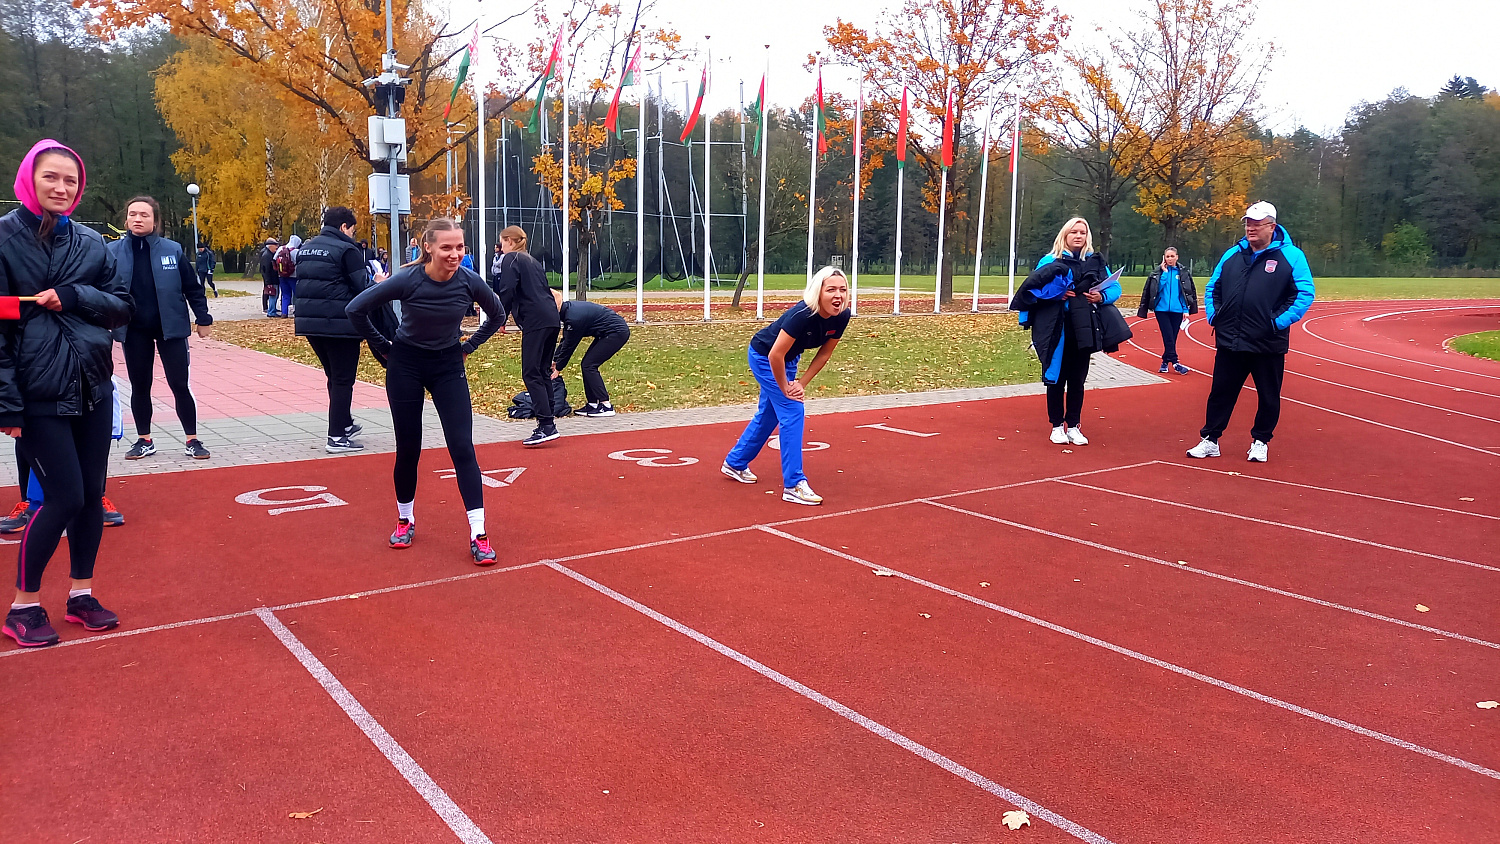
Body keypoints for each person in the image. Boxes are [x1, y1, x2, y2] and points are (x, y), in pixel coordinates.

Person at [0, 140, 134, 647]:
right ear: (29, 180)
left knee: (89, 498)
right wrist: (6, 403)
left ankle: (81, 594)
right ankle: (23, 606)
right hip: (37, 394)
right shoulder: (5, 239)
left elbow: (122, 307)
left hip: (93, 385)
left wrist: (75, 296)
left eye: (70, 181)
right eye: (50, 177)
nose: (61, 188)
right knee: (62, 497)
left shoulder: (92, 243)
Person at [346, 218, 505, 565]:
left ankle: (478, 533)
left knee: (462, 447)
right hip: (406, 364)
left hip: (448, 364)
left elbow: (497, 314)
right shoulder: (408, 278)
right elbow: (356, 309)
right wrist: (382, 346)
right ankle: (405, 520)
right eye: (446, 247)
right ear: (427, 247)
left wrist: (469, 347)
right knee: (409, 447)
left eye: (460, 247)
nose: (454, 254)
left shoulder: (469, 280)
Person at [1187, 201, 1315, 463]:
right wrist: (1215, 315)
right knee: (1220, 392)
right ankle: (1210, 439)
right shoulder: (1232, 254)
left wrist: (1275, 323)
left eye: (1257, 224)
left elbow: (1304, 294)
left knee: (1268, 395)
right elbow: (1214, 287)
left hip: (1267, 342)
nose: (1251, 228)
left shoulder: (1292, 256)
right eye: (1248, 223)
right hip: (1230, 339)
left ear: (1272, 226)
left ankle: (1260, 440)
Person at [722, 267, 850, 506]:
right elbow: (774, 355)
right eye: (830, 289)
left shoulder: (842, 316)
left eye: (842, 290)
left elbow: (824, 354)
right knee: (792, 410)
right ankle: (794, 484)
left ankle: (735, 463)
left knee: (770, 416)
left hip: (788, 360)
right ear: (818, 292)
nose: (838, 296)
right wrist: (786, 388)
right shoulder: (802, 315)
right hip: (764, 356)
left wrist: (801, 383)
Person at [107, 196, 214, 461]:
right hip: (133, 331)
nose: (138, 219)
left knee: (179, 384)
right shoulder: (112, 252)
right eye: (133, 214)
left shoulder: (172, 249)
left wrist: (203, 318)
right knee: (140, 386)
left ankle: (192, 439)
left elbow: (192, 288)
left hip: (171, 328)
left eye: (144, 215)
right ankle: (144, 439)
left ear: (155, 220)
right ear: (126, 219)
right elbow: (102, 291)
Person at [1009, 216, 1127, 447]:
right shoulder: (1049, 260)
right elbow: (1031, 290)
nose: (1078, 236)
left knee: (1077, 380)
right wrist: (1057, 294)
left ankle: (1073, 426)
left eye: (1082, 232)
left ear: (1087, 236)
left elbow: (1115, 287)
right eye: (1074, 232)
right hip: (1057, 329)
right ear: (1065, 234)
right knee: (1055, 378)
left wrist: (1101, 296)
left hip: (1083, 329)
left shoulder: (1094, 261)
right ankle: (1056, 426)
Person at [295, 206, 383, 454]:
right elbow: (361, 287)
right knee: (344, 379)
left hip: (310, 323)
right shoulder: (347, 249)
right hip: (340, 323)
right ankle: (336, 437)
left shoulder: (307, 247)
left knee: (334, 377)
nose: (354, 235)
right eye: (353, 230)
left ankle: (343, 422)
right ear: (344, 226)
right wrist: (378, 283)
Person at [493, 226, 563, 446]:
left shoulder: (510, 259)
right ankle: (549, 418)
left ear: (509, 241)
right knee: (542, 371)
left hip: (535, 320)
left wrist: (499, 318)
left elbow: (507, 290)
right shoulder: (531, 260)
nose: (500, 247)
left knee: (531, 372)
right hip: (551, 317)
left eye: (502, 242)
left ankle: (546, 424)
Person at [552, 290, 630, 417]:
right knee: (586, 365)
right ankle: (593, 403)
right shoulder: (569, 312)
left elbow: (570, 346)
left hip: (616, 333)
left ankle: (606, 405)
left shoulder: (573, 318)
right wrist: (555, 360)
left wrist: (558, 368)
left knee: (589, 365)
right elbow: (565, 341)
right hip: (606, 333)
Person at [1138, 247, 1196, 375]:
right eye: (1167, 256)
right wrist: (1164, 273)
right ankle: (1175, 363)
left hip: (1177, 310)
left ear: (1177, 257)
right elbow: (1156, 290)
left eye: (1172, 256)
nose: (1169, 259)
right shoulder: (1157, 272)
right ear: (1164, 258)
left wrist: (1186, 309)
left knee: (1172, 338)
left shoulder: (1183, 272)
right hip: (1161, 309)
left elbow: (1185, 293)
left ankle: (1164, 362)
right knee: (1168, 336)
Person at [272, 234, 301, 318]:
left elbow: (274, 260)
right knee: (296, 294)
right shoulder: (296, 251)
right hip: (293, 276)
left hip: (282, 276)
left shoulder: (281, 248)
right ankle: (297, 312)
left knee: (285, 294)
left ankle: (284, 313)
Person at [259, 236, 280, 315]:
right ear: (270, 246)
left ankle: (271, 308)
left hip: (272, 278)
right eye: (275, 245)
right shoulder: (267, 255)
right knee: (271, 294)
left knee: (272, 294)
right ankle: (270, 310)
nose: (277, 247)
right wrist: (268, 282)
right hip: (271, 279)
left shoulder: (269, 254)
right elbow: (265, 270)